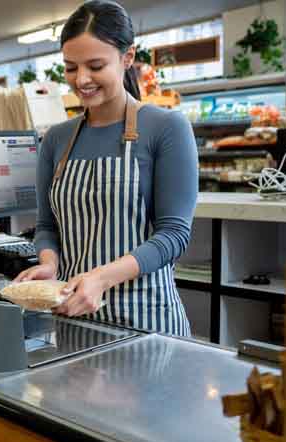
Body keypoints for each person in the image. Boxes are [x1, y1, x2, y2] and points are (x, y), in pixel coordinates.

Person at [16, 0, 198, 336]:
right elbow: (46, 226)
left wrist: (101, 278)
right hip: (73, 323)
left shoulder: (167, 127)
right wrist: (49, 264)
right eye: (70, 68)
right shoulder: (56, 139)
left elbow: (174, 235)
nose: (81, 80)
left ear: (128, 57)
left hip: (149, 324)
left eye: (96, 66)